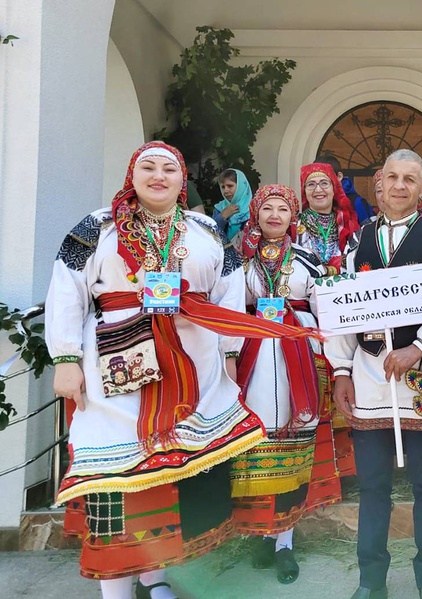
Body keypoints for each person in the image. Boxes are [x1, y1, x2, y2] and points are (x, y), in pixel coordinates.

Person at [46, 142, 315, 599]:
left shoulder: (204, 227)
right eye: (147, 167)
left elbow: (228, 290)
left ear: (181, 179)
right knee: (119, 477)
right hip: (117, 365)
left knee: (172, 478)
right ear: (132, 174)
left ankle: (157, 578)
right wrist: (66, 358)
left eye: (168, 168)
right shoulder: (96, 227)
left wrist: (230, 351)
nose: (158, 176)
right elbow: (66, 287)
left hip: (193, 363)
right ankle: (115, 588)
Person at [326, 149, 422, 599]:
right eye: (392, 176)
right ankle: (371, 581)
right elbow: (339, 310)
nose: (399, 186)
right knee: (372, 488)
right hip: (370, 379)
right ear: (378, 182)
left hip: (420, 383)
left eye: (410, 178)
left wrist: (418, 347)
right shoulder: (355, 243)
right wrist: (340, 370)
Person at [231, 184, 342, 585]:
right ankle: (260, 532)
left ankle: (284, 542)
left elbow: (328, 306)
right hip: (253, 357)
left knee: (295, 442)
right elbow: (228, 305)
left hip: (297, 356)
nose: (274, 215)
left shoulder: (309, 260)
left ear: (291, 217)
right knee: (256, 444)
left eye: (282, 209)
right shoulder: (239, 261)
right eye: (267, 209)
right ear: (256, 215)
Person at [297, 162, 359, 275]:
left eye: (324, 183)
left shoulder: (348, 224)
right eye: (311, 184)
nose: (318, 190)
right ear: (304, 191)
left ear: (334, 188)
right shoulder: (295, 226)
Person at [212, 168, 252, 244]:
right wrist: (222, 216)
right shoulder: (219, 208)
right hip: (223, 253)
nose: (225, 191)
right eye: (223, 187)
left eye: (230, 186)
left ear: (241, 186)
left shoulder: (254, 207)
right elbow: (211, 233)